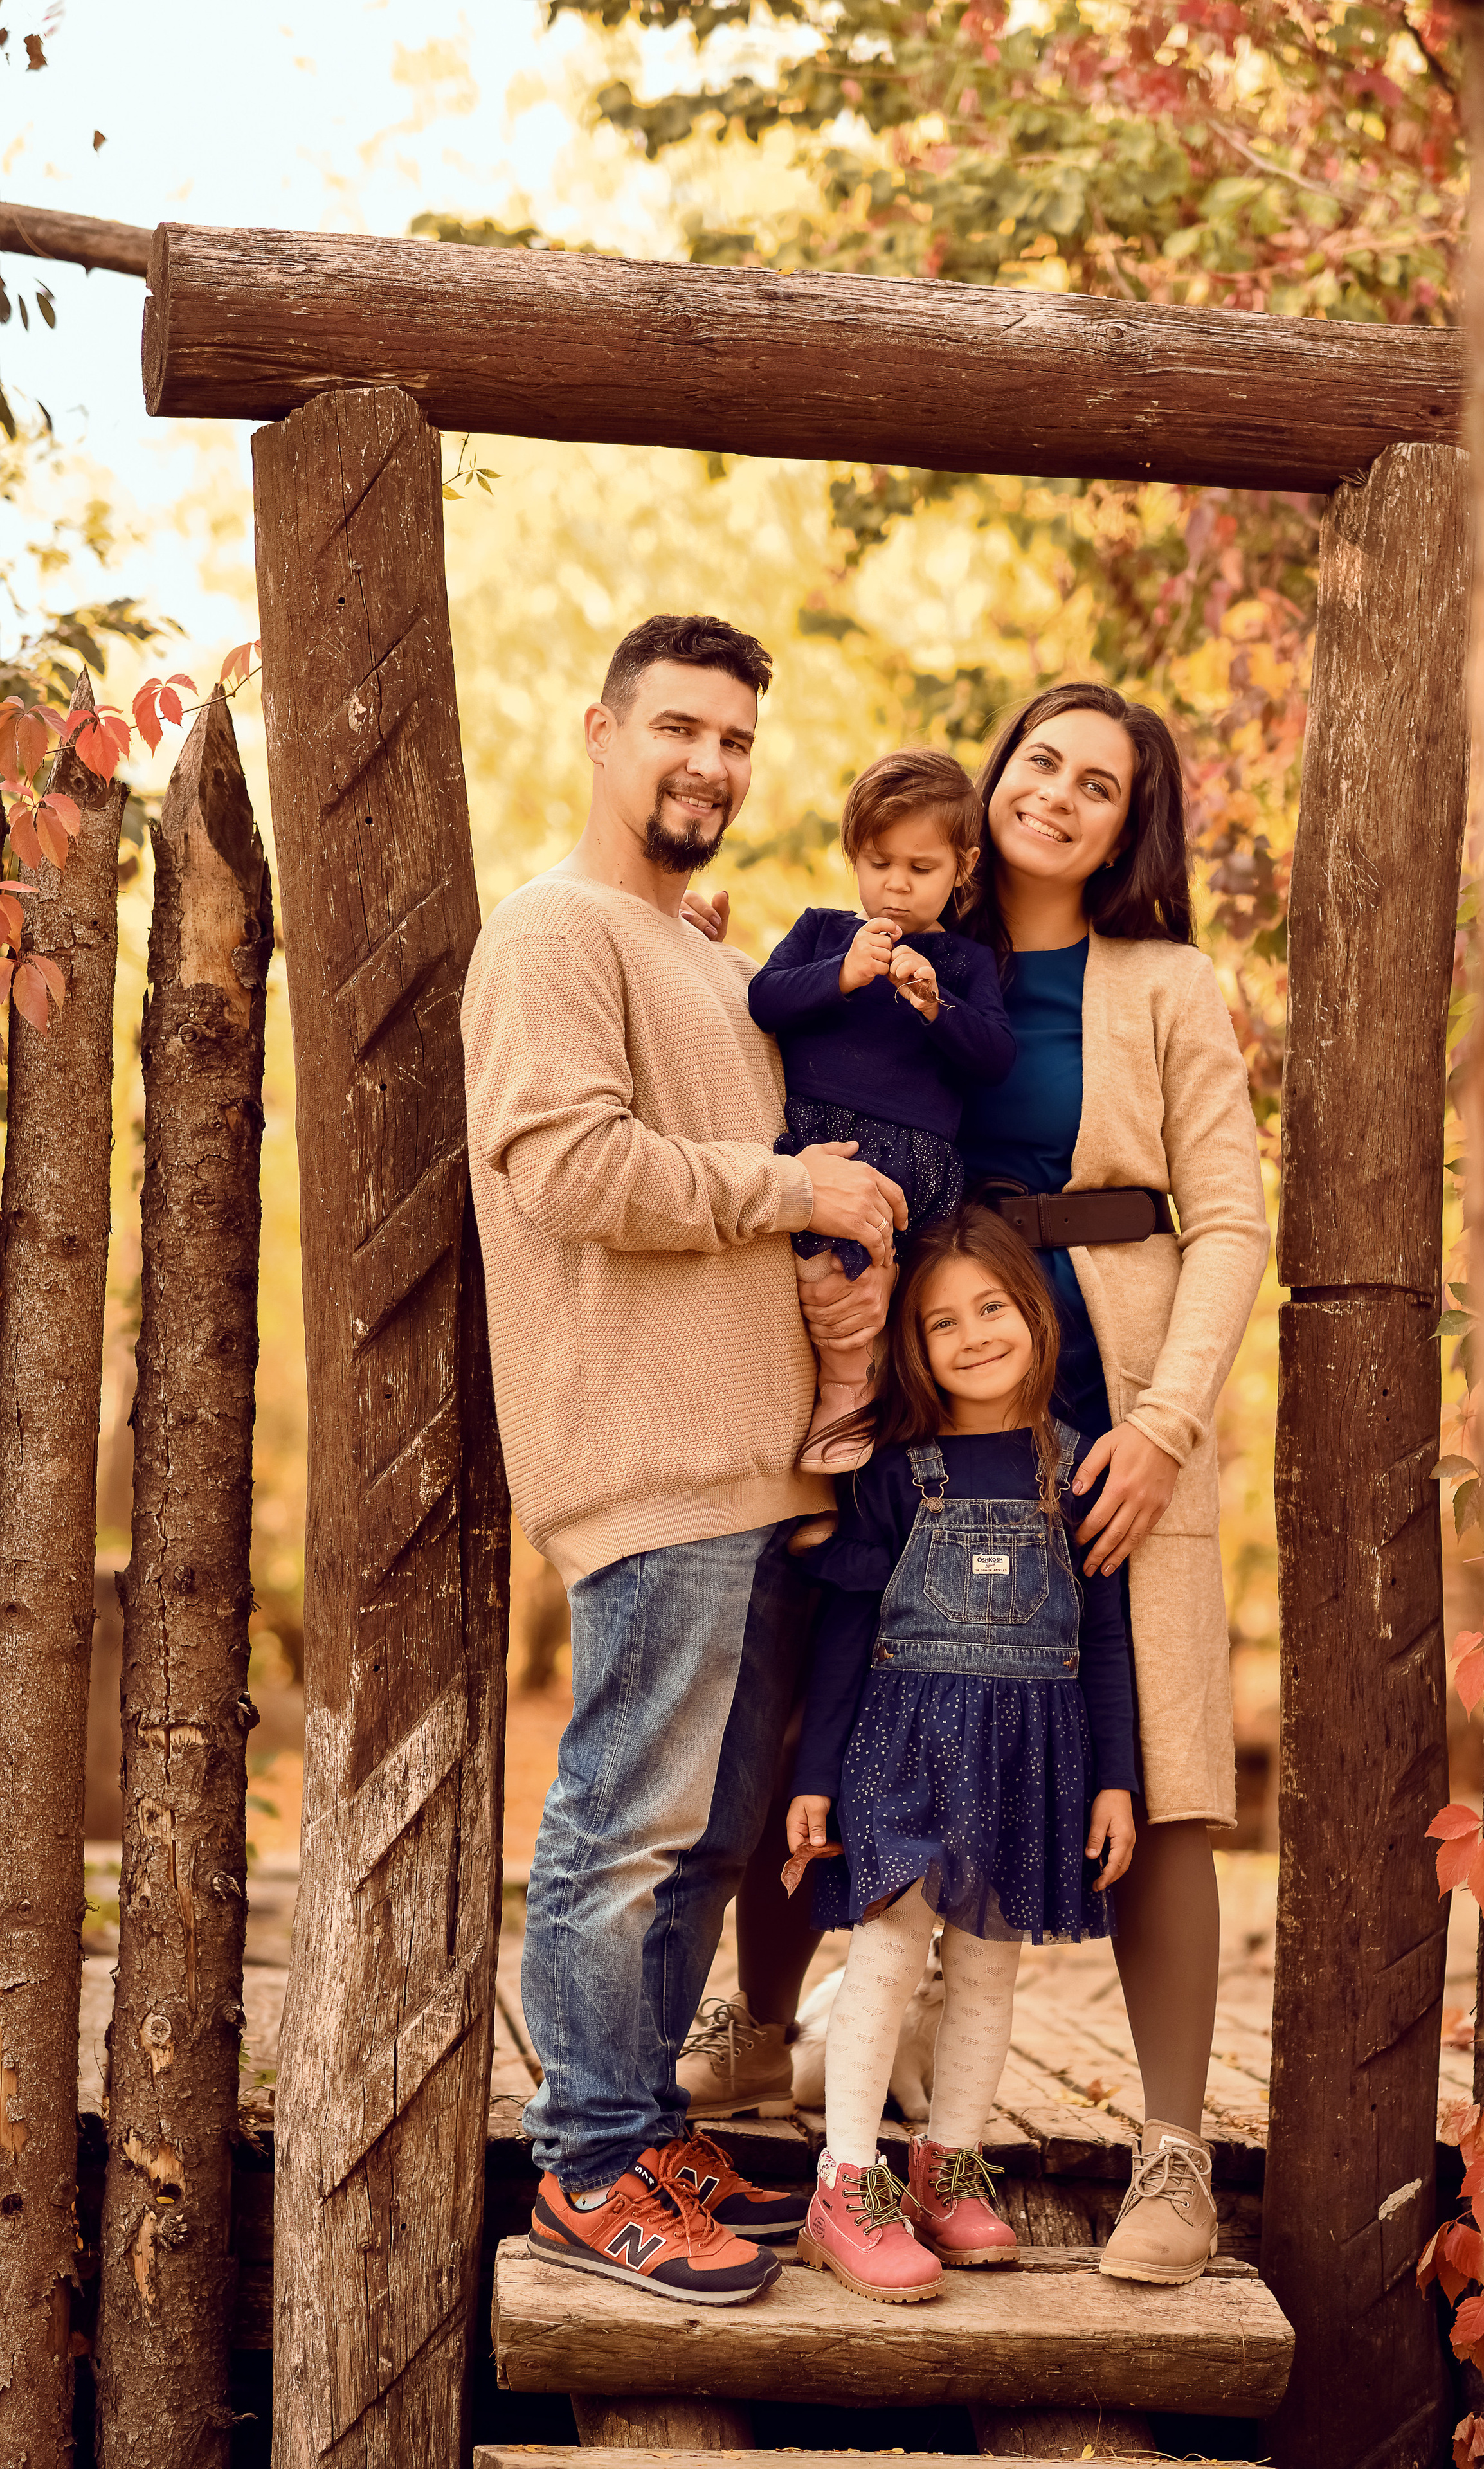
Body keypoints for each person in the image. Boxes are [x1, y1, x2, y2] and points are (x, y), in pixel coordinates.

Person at [683, 680, 1269, 2290]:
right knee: (829, 1666)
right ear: (991, 779)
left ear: (1128, 824)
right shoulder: (910, 933)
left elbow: (1227, 1217)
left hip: (1112, 1384)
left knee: (1145, 1754)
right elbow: (770, 1052)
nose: (1060, 794)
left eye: (1100, 782)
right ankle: (749, 2020)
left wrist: (1157, 1421)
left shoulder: (1162, 980)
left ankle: (1168, 2155)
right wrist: (709, 953)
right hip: (922, 1360)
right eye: (1040, 761)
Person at [460, 611, 909, 2306]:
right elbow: (572, 1169)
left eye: (735, 740)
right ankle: (586, 2165)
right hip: (648, 1462)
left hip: (766, 1471)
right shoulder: (552, 931)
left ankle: (643, 2127)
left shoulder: (713, 963)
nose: (710, 763)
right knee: (624, 1827)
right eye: (679, 729)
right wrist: (790, 1190)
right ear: (601, 731)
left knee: (711, 1837)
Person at [783, 1203, 1138, 2302]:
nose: (975, 1334)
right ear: (915, 1348)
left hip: (1032, 1752)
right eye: (944, 1324)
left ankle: (949, 2162)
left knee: (988, 1968)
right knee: (889, 1954)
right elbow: (848, 1626)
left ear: (1033, 1314)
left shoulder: (1080, 1468)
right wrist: (811, 1774)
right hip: (903, 1744)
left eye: (993, 1308)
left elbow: (1108, 1636)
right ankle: (847, 2183)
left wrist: (1118, 1776)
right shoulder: (898, 1472)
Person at [747, 748, 1016, 1470]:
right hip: (822, 1145)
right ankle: (839, 1408)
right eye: (877, 863)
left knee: (873, 1294)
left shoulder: (962, 964)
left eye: (920, 869)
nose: (895, 885)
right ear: (853, 857)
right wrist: (840, 974)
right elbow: (764, 1000)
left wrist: (936, 1006)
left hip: (910, 1158)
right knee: (819, 1280)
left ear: (962, 868)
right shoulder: (822, 935)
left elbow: (994, 1058)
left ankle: (850, 1403)